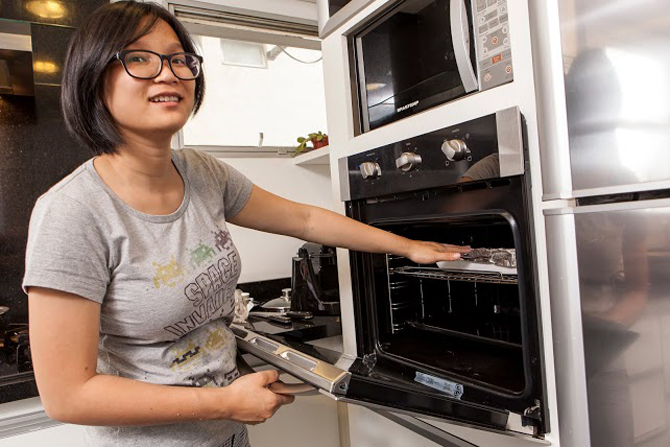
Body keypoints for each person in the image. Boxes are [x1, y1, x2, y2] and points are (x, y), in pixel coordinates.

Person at [23, 2, 469, 446]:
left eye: (179, 59)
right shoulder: (72, 212)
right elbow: (68, 396)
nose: (169, 74)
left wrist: (407, 246)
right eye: (139, 58)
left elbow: (304, 219)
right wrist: (225, 402)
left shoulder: (202, 173)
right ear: (92, 79)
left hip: (228, 436)